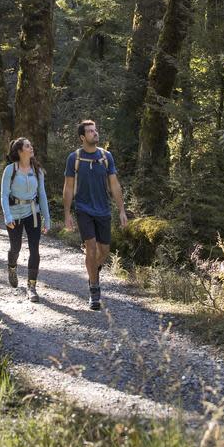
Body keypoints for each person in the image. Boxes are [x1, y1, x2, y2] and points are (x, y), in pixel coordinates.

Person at [62, 119, 127, 310]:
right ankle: (94, 290)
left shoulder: (106, 157)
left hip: (103, 211)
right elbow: (68, 187)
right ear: (83, 137)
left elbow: (114, 184)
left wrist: (122, 210)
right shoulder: (74, 158)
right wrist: (67, 213)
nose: (95, 133)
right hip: (84, 209)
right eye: (90, 131)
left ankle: (92, 272)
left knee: (104, 251)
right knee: (90, 248)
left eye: (95, 130)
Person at [1, 137, 51, 301]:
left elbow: (42, 195)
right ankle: (12, 266)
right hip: (14, 213)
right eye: (28, 146)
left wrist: (47, 218)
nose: (31, 148)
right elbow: (4, 195)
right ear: (20, 151)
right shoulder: (10, 169)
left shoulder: (37, 170)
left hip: (32, 213)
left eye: (31, 145)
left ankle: (32, 287)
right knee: (15, 247)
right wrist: (7, 216)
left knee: (34, 249)